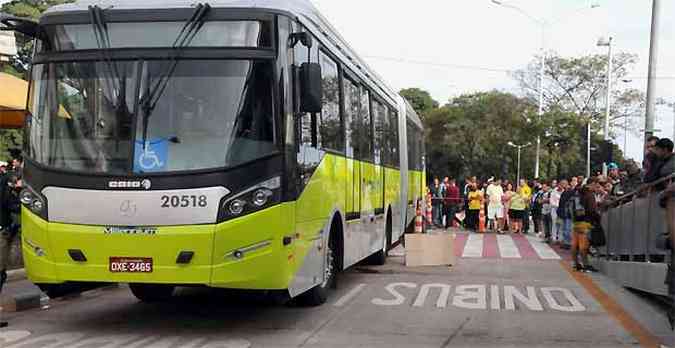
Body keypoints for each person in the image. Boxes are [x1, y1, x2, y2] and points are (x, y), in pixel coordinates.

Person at [571, 177, 601, 272]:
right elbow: (592, 210)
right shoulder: (589, 195)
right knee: (583, 245)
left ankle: (576, 264)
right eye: (597, 185)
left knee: (575, 244)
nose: (597, 187)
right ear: (592, 183)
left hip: (576, 220)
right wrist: (598, 218)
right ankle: (586, 265)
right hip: (586, 222)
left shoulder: (578, 192)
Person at [557, 180, 574, 249]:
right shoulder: (564, 192)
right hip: (563, 213)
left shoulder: (571, 191)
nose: (561, 185)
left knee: (568, 229)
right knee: (564, 228)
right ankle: (565, 242)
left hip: (568, 213)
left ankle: (569, 243)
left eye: (562, 184)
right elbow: (561, 203)